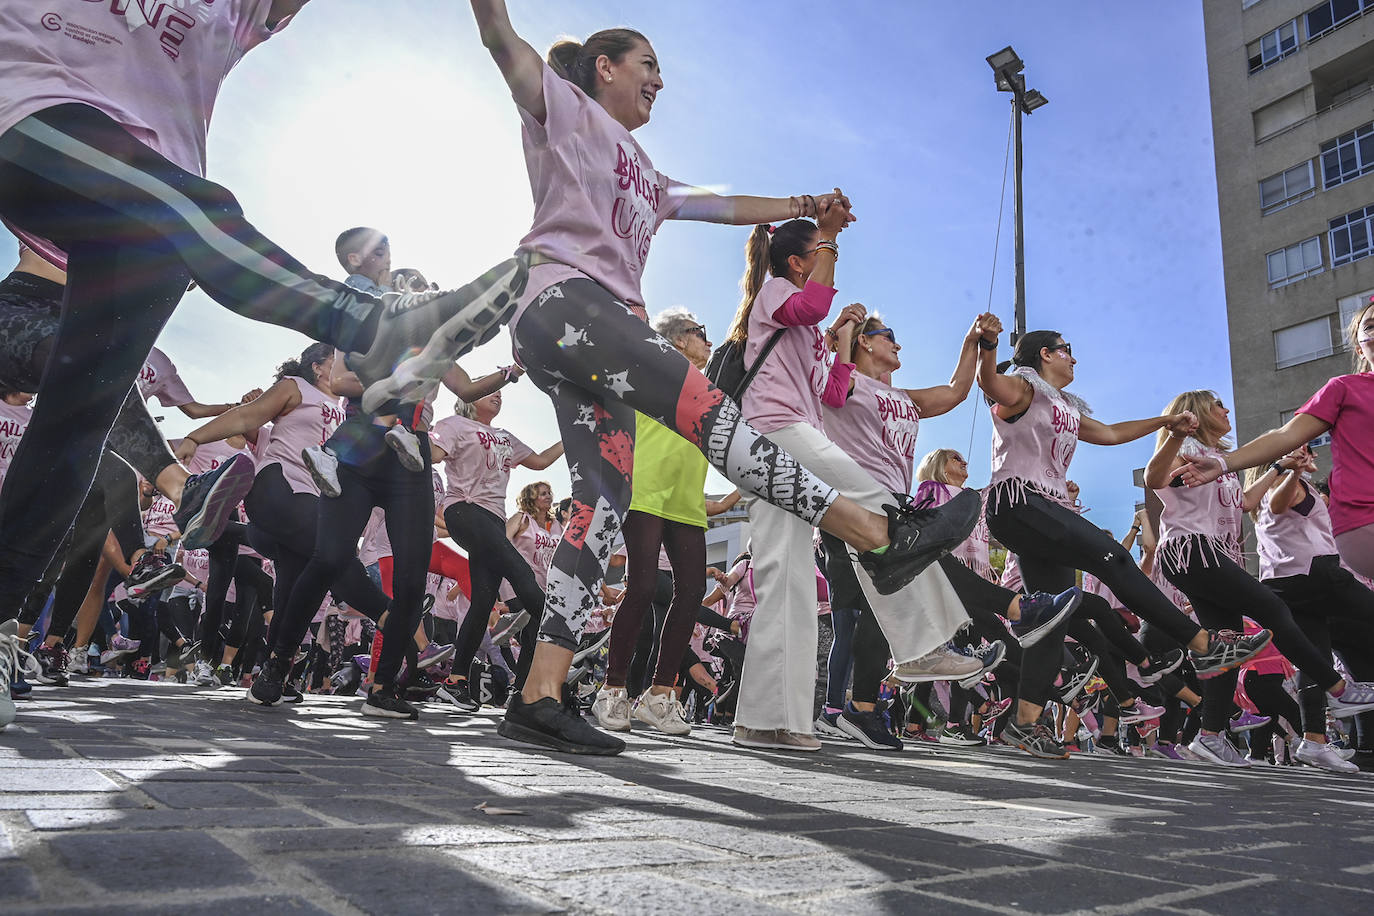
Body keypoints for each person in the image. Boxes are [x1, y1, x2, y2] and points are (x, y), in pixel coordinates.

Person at [471, 2, 979, 755]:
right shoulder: (563, 108)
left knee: (601, 504)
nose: (659, 81)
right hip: (563, 303)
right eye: (647, 66)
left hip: (595, 345)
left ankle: (539, 693)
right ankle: (875, 530)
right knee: (704, 404)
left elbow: (720, 204)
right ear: (605, 68)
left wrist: (805, 207)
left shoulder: (649, 173)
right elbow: (499, 40)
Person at [0, 0, 529, 633]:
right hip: (32, 121)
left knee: (78, 422)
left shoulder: (228, 12)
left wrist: (197, 423)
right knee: (193, 207)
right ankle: (373, 324)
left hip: (153, 237)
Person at [977, 329, 1272, 759]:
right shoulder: (1023, 387)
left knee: (1052, 619)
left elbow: (1113, 433)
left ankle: (1023, 724)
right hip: (1020, 501)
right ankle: (1203, 644)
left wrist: (1165, 423)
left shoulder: (1066, 408)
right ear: (1046, 354)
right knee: (1112, 555)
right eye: (1067, 351)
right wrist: (987, 346)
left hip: (1045, 512)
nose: (1074, 360)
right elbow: (989, 383)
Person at [1146, 390, 1374, 768]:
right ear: (1198, 413)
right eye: (1218, 405)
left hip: (1211, 554)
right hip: (1193, 550)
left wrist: (1280, 467)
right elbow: (1155, 478)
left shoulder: (1221, 460)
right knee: (1272, 608)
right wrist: (1173, 434)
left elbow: (1246, 503)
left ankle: (1210, 736)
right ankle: (1337, 688)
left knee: (1229, 646)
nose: (1226, 409)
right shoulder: (1185, 446)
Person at [592, 308, 741, 737]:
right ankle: (612, 689)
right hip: (646, 488)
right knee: (639, 587)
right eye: (700, 333)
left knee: (692, 592)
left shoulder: (710, 388)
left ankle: (659, 696)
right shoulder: (650, 374)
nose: (707, 340)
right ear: (678, 341)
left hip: (687, 496)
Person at [1179, 299, 1374, 578]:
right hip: (1355, 530)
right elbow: (1285, 436)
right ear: (1359, 348)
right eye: (1371, 327)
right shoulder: (1344, 389)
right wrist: (1224, 463)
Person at [1239, 442, 1374, 773]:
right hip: (1317, 574)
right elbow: (1283, 502)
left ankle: (1312, 741)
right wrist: (1292, 471)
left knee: (1314, 660)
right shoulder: (1285, 484)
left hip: (1285, 586)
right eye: (1303, 449)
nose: (1309, 453)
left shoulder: (1266, 495)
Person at [430, 391, 563, 700]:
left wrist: (572, 440)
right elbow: (434, 454)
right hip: (464, 508)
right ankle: (563, 649)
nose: (498, 394)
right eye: (489, 390)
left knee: (482, 601)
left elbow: (541, 461)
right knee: (522, 575)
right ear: (469, 396)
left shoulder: (504, 436)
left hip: (492, 518)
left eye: (501, 392)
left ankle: (455, 681)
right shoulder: (454, 424)